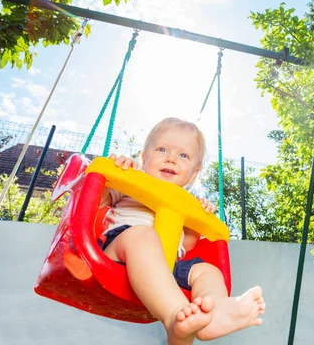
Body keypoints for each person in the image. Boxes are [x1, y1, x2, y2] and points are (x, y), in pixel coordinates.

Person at [98, 117, 265, 345]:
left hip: (168, 266)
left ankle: (213, 315)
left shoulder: (187, 202)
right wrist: (113, 176)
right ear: (144, 158)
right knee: (145, 236)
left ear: (193, 174)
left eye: (183, 155)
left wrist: (197, 220)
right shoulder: (132, 182)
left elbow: (185, 245)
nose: (171, 158)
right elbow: (96, 201)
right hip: (118, 253)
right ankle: (175, 318)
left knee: (207, 271)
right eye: (162, 149)